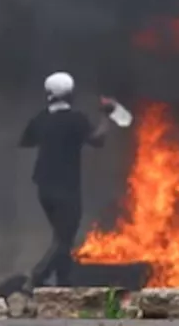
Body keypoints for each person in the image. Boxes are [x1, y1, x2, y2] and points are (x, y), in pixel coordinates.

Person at [20, 72, 113, 288]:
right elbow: (98, 140)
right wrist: (106, 115)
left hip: (43, 187)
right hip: (66, 188)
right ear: (70, 95)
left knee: (61, 235)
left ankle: (64, 281)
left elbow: (26, 141)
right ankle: (36, 276)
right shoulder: (75, 119)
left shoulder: (40, 118)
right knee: (64, 238)